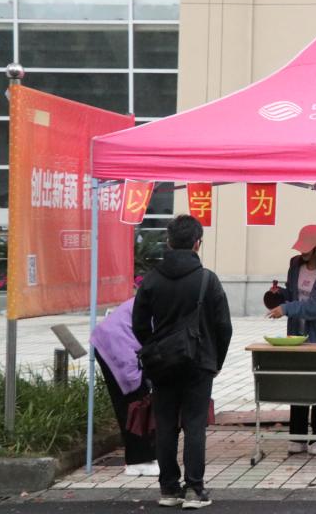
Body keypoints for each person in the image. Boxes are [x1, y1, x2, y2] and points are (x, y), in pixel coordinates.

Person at [132, 215, 232, 509]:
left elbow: (138, 324)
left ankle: (168, 489)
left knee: (165, 425)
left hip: (162, 363)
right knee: (194, 425)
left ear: (169, 241)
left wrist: (154, 347)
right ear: (197, 243)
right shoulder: (207, 280)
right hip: (199, 362)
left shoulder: (151, 279)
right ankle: (194, 490)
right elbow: (223, 326)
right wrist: (215, 359)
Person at [267, 224, 316, 457]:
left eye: (307, 249)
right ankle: (298, 436)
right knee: (297, 382)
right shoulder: (295, 264)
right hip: (296, 336)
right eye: (301, 248)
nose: (303, 253)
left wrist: (287, 308)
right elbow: (293, 295)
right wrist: (280, 295)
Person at [91, 297, 158, 477]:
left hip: (119, 339)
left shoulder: (163, 291)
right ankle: (139, 461)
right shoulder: (170, 300)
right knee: (136, 402)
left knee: (138, 400)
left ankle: (143, 456)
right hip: (118, 343)